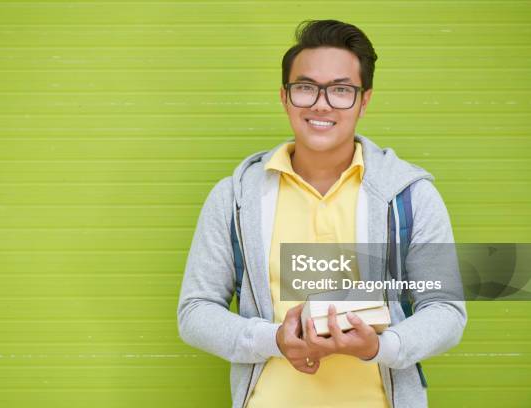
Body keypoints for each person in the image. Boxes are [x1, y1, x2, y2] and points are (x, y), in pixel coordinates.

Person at [177, 19, 466, 408]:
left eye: (341, 90)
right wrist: (274, 339)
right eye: (305, 88)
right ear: (285, 96)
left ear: (365, 100)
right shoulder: (234, 197)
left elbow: (446, 310)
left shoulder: (411, 196)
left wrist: (380, 346)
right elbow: (195, 312)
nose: (321, 103)